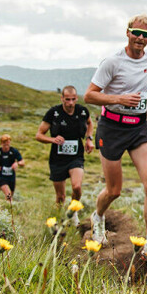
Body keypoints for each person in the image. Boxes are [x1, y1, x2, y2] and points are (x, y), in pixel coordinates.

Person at [83, 15, 147, 267]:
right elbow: (89, 96)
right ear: (127, 32)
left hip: (139, 128)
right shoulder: (112, 62)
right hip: (111, 128)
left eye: (146, 35)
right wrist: (119, 99)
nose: (140, 38)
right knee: (114, 190)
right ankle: (98, 216)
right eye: (136, 33)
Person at [36, 86, 94, 214]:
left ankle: (72, 213)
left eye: (73, 99)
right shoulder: (53, 113)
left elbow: (90, 123)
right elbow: (39, 135)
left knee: (77, 187)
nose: (70, 103)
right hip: (57, 159)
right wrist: (53, 139)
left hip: (76, 156)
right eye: (67, 99)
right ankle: (58, 217)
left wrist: (89, 139)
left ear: (77, 98)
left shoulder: (82, 111)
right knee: (60, 197)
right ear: (62, 98)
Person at [0, 134, 25, 201]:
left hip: (11, 176)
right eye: (4, 143)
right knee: (8, 194)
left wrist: (17, 163)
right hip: (1, 176)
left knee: (10, 195)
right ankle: (9, 206)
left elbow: (22, 162)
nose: (6, 145)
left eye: (8, 143)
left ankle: (7, 206)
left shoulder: (14, 151)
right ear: (1, 143)